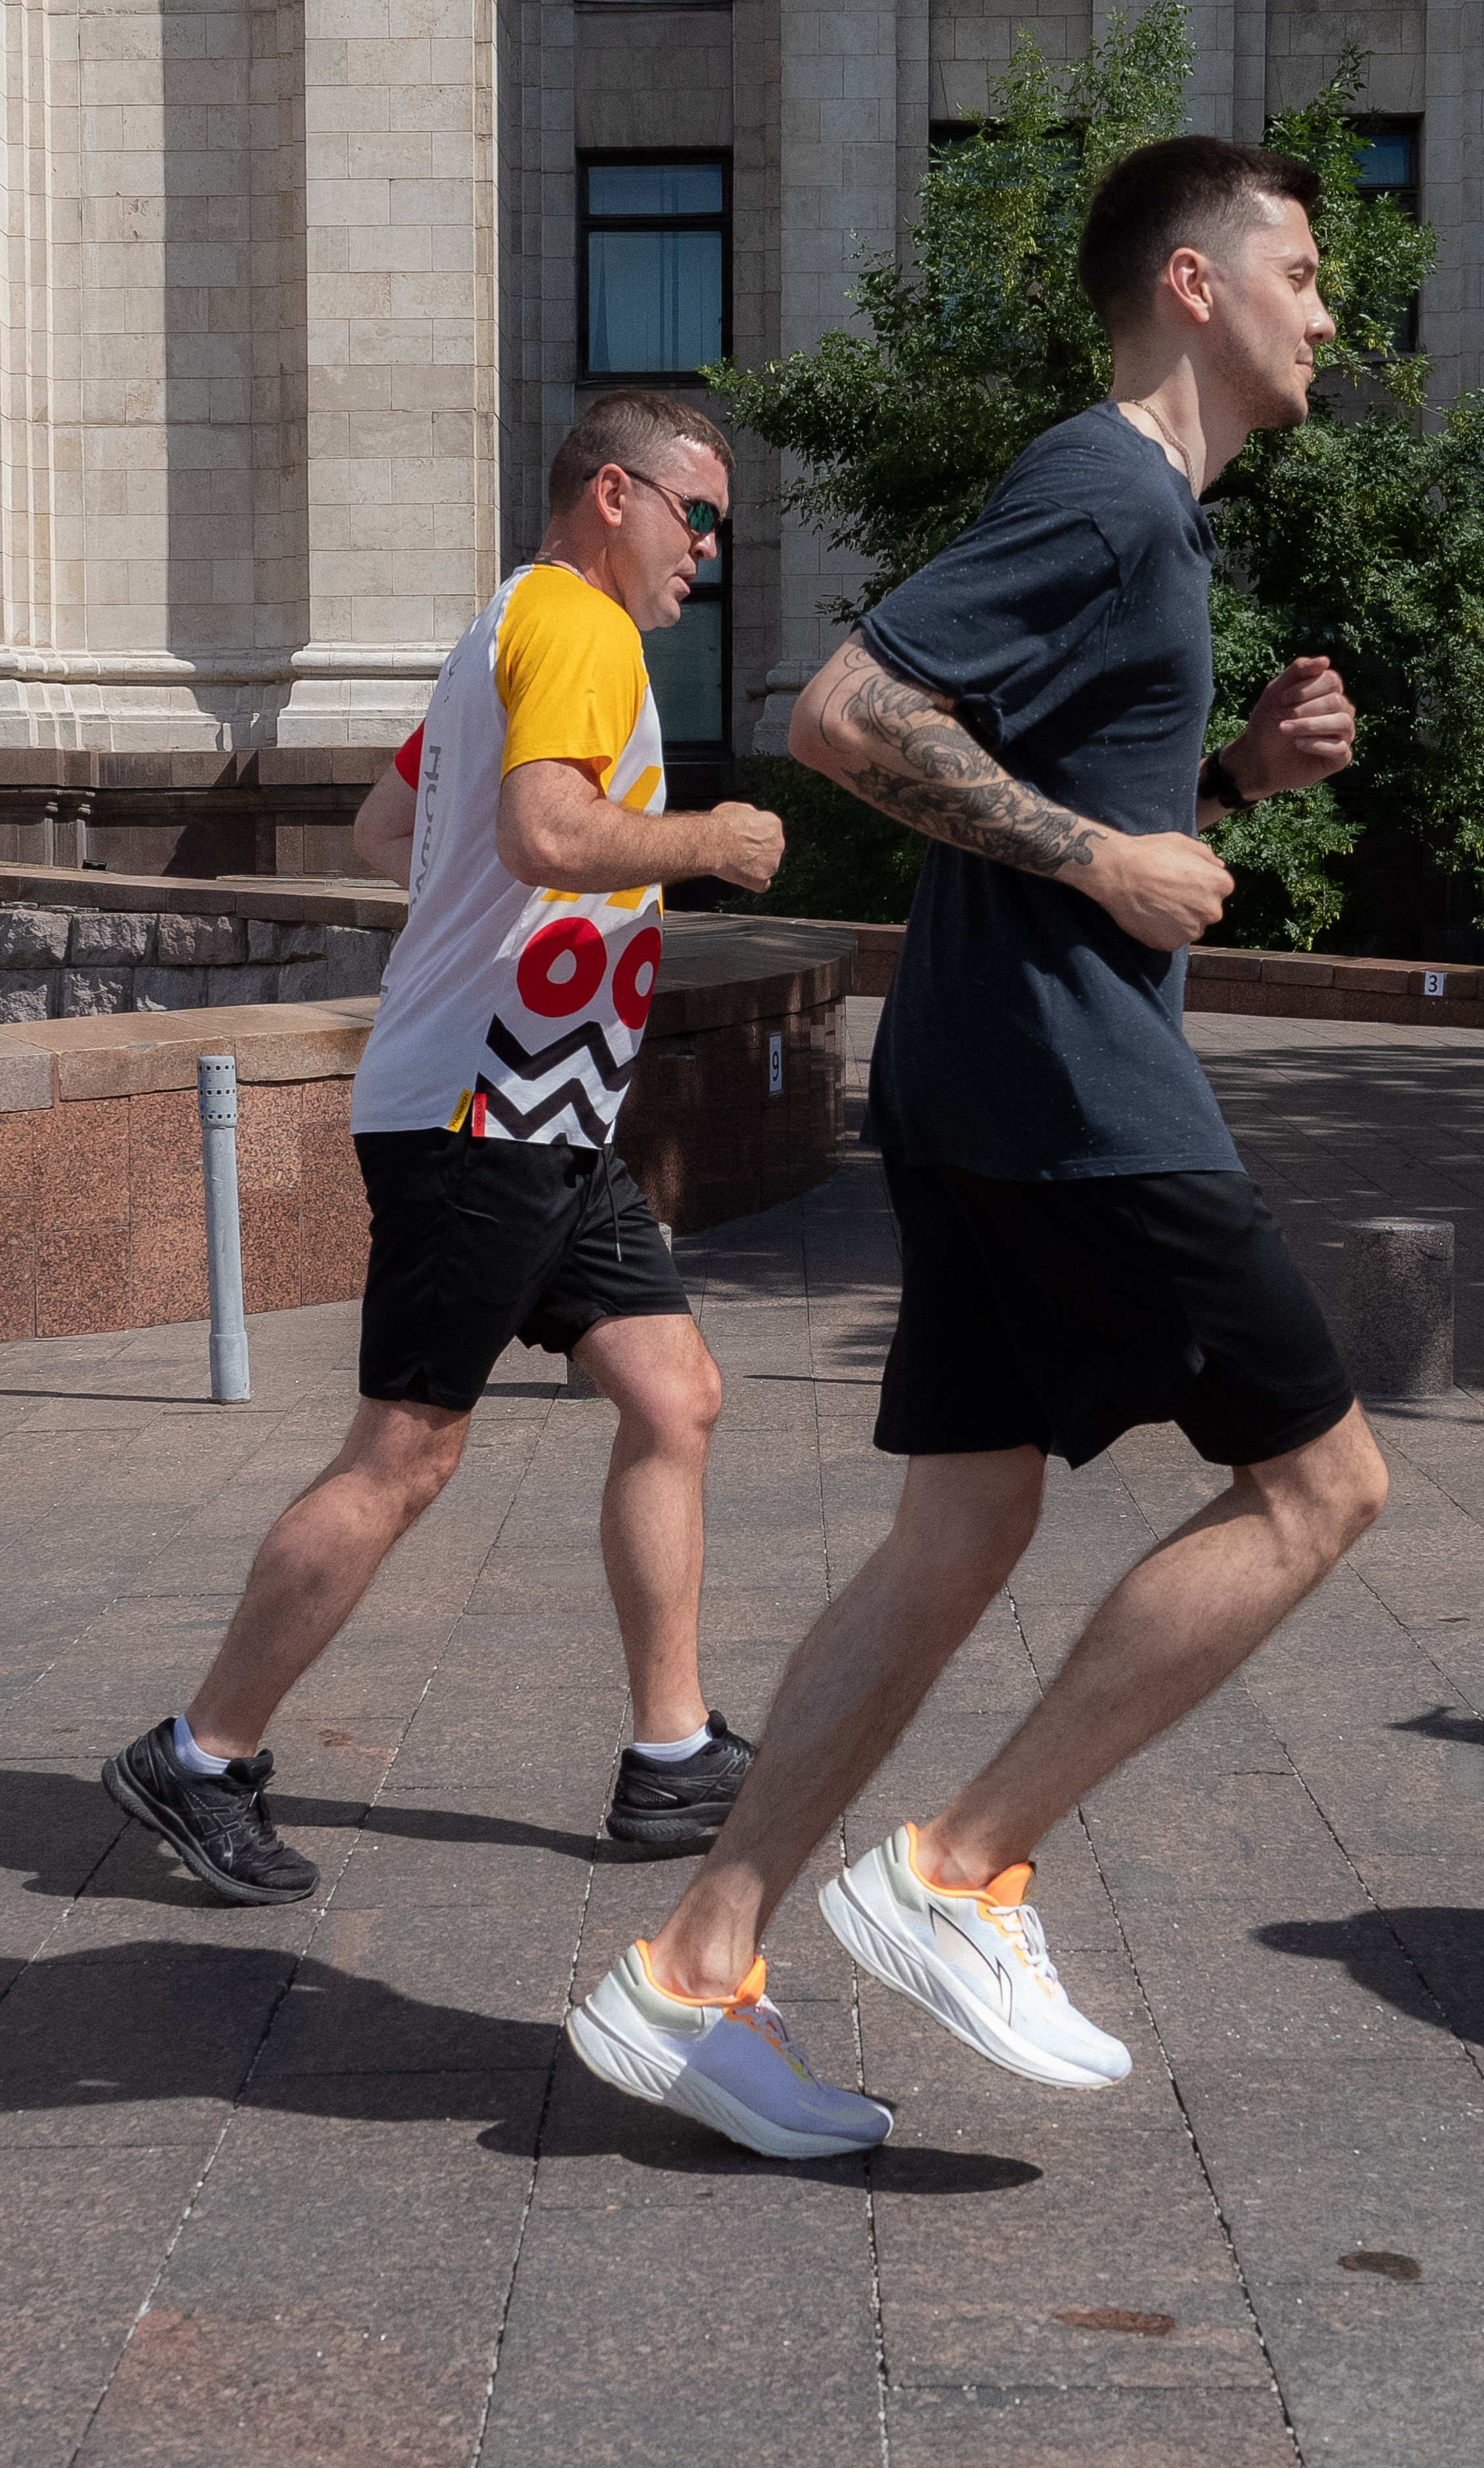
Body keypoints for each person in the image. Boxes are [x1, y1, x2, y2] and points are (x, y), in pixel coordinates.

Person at [566, 137, 1389, 2160]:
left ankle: (691, 1972)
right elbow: (849, 712)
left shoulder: (1151, 525)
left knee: (962, 1532)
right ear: (1192, 286)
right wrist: (1106, 851)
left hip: (986, 1069)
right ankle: (962, 1871)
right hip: (1062, 1082)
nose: (1329, 310)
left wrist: (1206, 775)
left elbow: (1018, 738)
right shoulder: (1107, 485)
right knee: (1320, 1486)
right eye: (1300, 268)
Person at [103, 391, 785, 1903]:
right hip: (486, 1109)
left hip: (546, 1106)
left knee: (675, 1396)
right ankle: (201, 1753)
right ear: (614, 494)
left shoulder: (508, 630)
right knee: (405, 1454)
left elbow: (378, 823)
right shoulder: (581, 627)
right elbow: (547, 833)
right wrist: (711, 842)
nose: (710, 551)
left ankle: (672, 1758)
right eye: (699, 515)